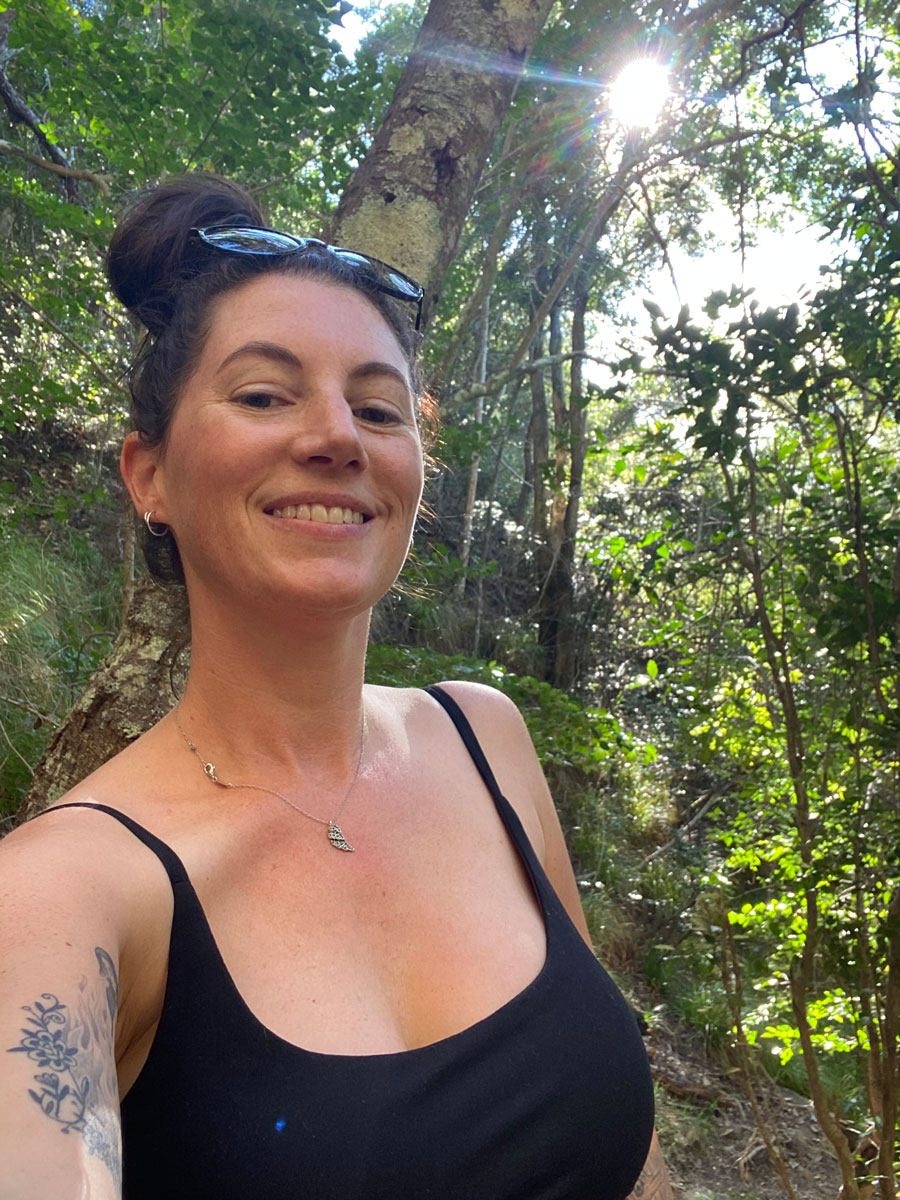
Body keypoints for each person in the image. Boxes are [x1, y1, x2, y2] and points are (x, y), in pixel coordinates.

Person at [0, 174, 670, 1199]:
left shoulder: (484, 740)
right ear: (150, 476)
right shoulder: (62, 894)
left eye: (377, 408)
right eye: (263, 395)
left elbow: (630, 1156)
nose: (337, 438)